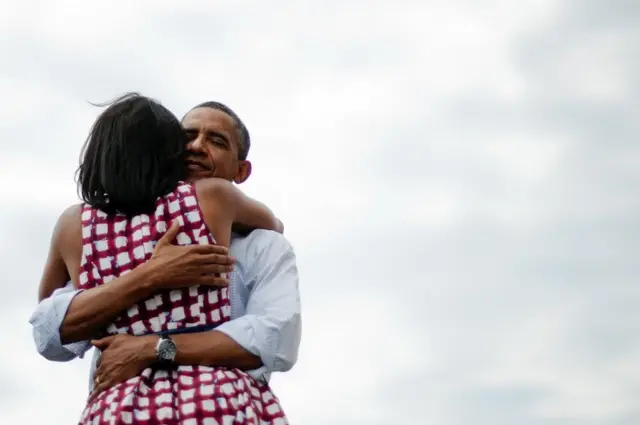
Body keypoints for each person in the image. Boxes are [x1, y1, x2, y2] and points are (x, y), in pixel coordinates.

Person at [31, 94, 300, 424]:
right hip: (218, 404)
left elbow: (276, 338)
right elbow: (48, 330)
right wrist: (152, 273)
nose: (197, 146)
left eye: (216, 141)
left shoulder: (86, 234)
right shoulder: (214, 202)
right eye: (186, 137)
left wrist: (151, 347)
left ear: (241, 170)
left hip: (120, 408)